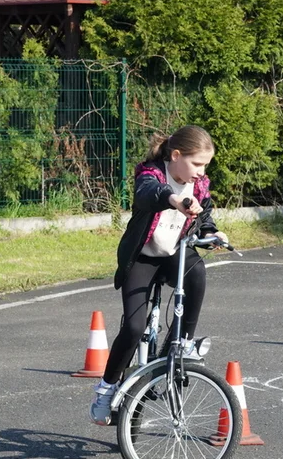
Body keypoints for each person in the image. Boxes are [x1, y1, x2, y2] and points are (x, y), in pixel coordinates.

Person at [90, 125, 229, 425]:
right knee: (134, 327)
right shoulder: (151, 173)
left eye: (205, 165)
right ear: (176, 155)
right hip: (142, 257)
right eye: (196, 164)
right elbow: (147, 194)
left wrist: (211, 231)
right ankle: (106, 387)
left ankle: (182, 344)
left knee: (197, 272)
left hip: (172, 254)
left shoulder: (199, 185)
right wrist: (174, 199)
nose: (201, 171)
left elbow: (204, 214)